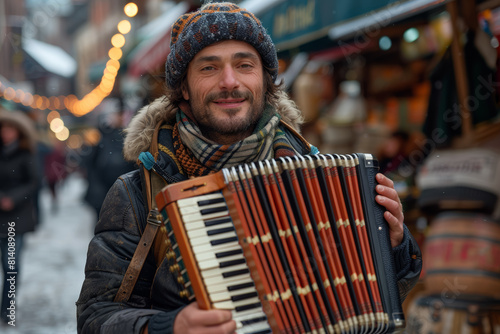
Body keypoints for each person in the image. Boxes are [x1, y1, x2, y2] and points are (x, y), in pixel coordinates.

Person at [76, 2, 422, 333]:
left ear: (266, 81)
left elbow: (366, 305)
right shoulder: (139, 192)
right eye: (209, 67)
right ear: (182, 87)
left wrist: (391, 248)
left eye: (244, 65)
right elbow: (95, 317)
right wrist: (168, 326)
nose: (229, 81)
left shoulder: (320, 177)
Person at [0, 109, 39, 324]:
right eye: (4, 129)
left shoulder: (26, 154)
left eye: (10, 129)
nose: (6, 133)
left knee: (11, 265)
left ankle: (8, 309)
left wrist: (12, 199)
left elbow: (33, 183)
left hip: (16, 219)